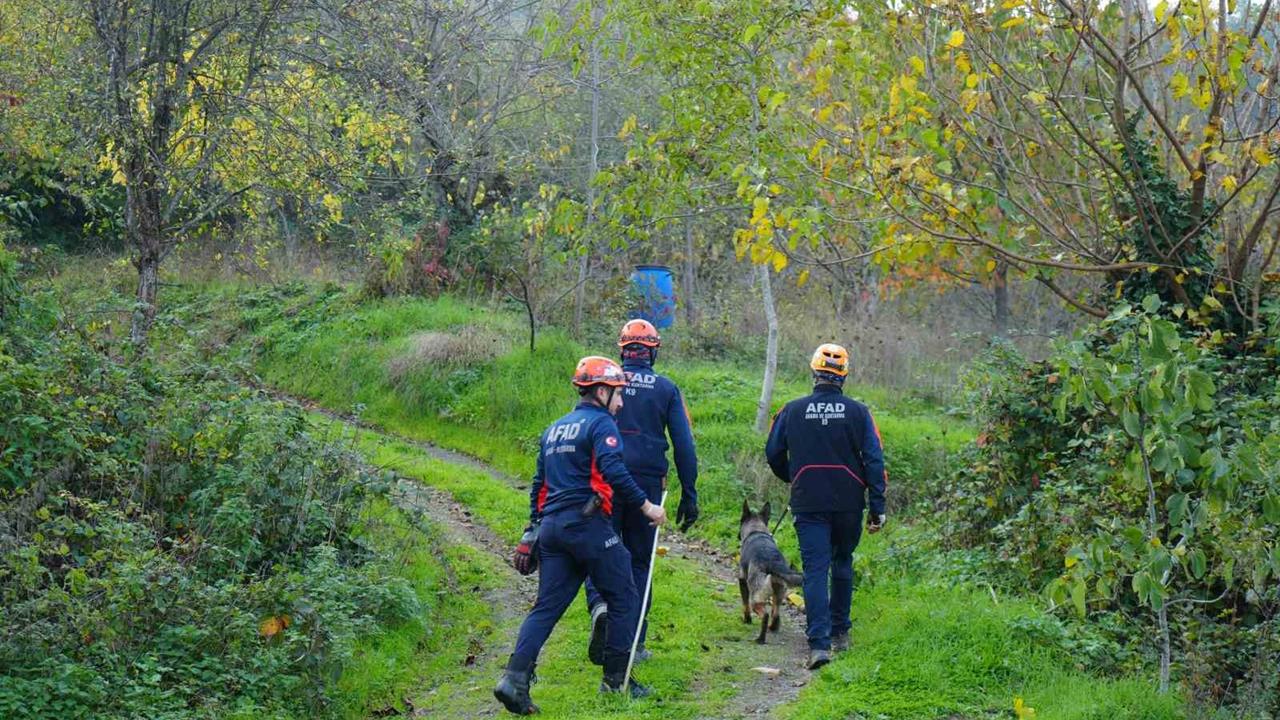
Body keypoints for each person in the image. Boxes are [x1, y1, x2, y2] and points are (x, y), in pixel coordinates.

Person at [494, 356, 668, 715]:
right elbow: (613, 470)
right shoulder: (601, 424)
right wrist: (647, 507)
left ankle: (513, 680)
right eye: (618, 394)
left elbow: (539, 488)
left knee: (546, 607)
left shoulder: (554, 429)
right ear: (601, 391)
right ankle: (615, 683)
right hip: (588, 525)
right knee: (624, 596)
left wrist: (532, 530)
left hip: (553, 531)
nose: (621, 403)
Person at [764, 343, 886, 670]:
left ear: (813, 371)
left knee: (816, 569)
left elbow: (772, 452)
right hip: (848, 502)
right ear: (843, 375)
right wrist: (878, 507)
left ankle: (819, 644)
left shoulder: (791, 410)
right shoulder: (860, 413)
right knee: (842, 561)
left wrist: (793, 476)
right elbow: (874, 460)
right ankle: (841, 632)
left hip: (808, 500)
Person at [583, 319, 698, 665]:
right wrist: (689, 493)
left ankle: (600, 606)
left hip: (604, 477)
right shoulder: (666, 388)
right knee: (639, 561)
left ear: (623, 350)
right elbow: (684, 445)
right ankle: (635, 640)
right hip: (647, 483)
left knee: (597, 550)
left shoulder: (604, 384)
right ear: (653, 352)